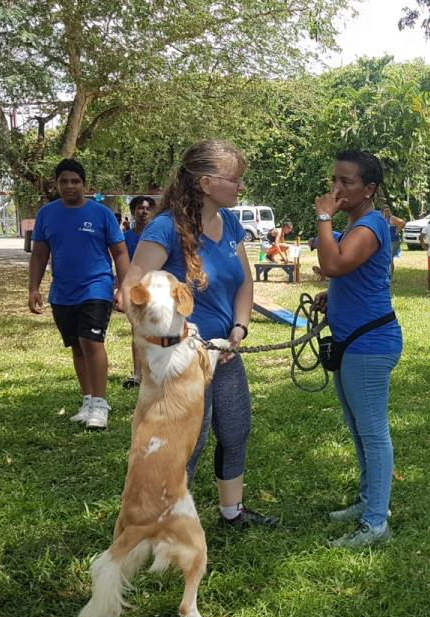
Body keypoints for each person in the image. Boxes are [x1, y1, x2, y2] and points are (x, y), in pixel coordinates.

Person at [123, 139, 278, 529]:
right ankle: (162, 523)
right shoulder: (165, 228)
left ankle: (232, 512)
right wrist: (168, 341)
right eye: (235, 179)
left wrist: (240, 327)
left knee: (235, 428)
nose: (240, 186)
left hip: (224, 351)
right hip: (181, 362)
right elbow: (131, 290)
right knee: (188, 441)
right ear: (207, 183)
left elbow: (243, 282)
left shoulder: (228, 224)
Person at [312, 149, 402, 548]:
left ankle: (375, 523)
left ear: (369, 189)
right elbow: (346, 275)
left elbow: (334, 265)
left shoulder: (367, 227)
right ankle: (369, 503)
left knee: (373, 433)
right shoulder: (354, 226)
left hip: (370, 343)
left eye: (346, 182)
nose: (336, 189)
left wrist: (323, 217)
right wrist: (333, 298)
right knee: (358, 431)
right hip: (353, 340)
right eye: (334, 180)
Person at [28, 159, 129, 430]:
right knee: (76, 345)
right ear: (57, 184)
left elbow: (119, 253)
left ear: (84, 184)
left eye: (75, 181)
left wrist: (123, 287)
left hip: (96, 287)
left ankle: (100, 404)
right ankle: (87, 400)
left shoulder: (102, 214)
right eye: (64, 181)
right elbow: (39, 254)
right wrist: (33, 288)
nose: (70, 186)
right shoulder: (46, 214)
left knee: (92, 342)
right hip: (62, 292)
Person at [121, 195, 155, 389]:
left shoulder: (157, 235)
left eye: (147, 208)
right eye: (140, 208)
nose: (144, 212)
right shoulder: (126, 238)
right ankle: (137, 374)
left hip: (155, 289)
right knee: (137, 330)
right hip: (135, 291)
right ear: (134, 212)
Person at [380, 204, 406, 270]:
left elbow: (403, 222)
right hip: (386, 242)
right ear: (382, 212)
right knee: (386, 258)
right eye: (385, 211)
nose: (387, 212)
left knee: (389, 258)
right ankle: (388, 275)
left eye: (388, 211)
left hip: (393, 241)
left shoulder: (392, 218)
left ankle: (390, 277)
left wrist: (398, 231)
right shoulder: (382, 219)